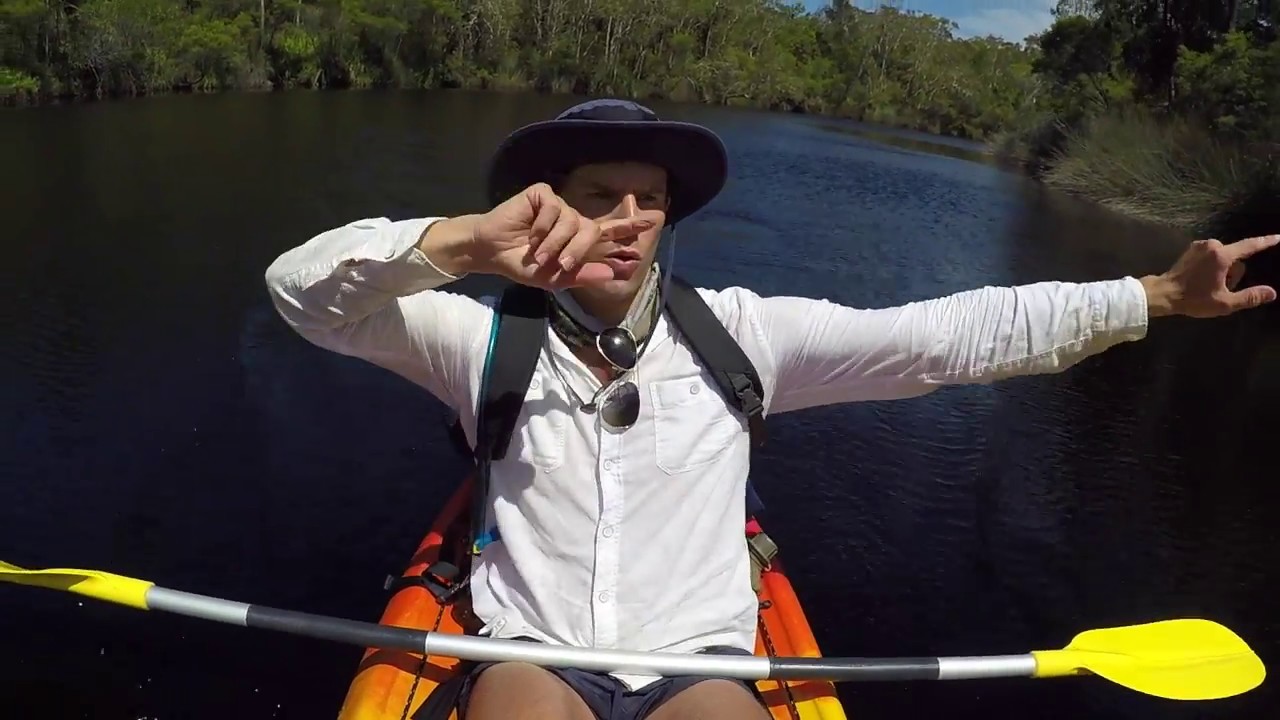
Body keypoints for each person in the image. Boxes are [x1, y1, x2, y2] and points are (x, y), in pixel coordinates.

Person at [264, 98, 1278, 720]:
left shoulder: (744, 337)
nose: (626, 220)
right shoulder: (475, 340)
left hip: (695, 660)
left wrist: (1147, 298)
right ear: (544, 200)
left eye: (647, 199)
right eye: (598, 193)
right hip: (530, 650)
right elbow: (302, 293)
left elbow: (945, 336)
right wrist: (456, 246)